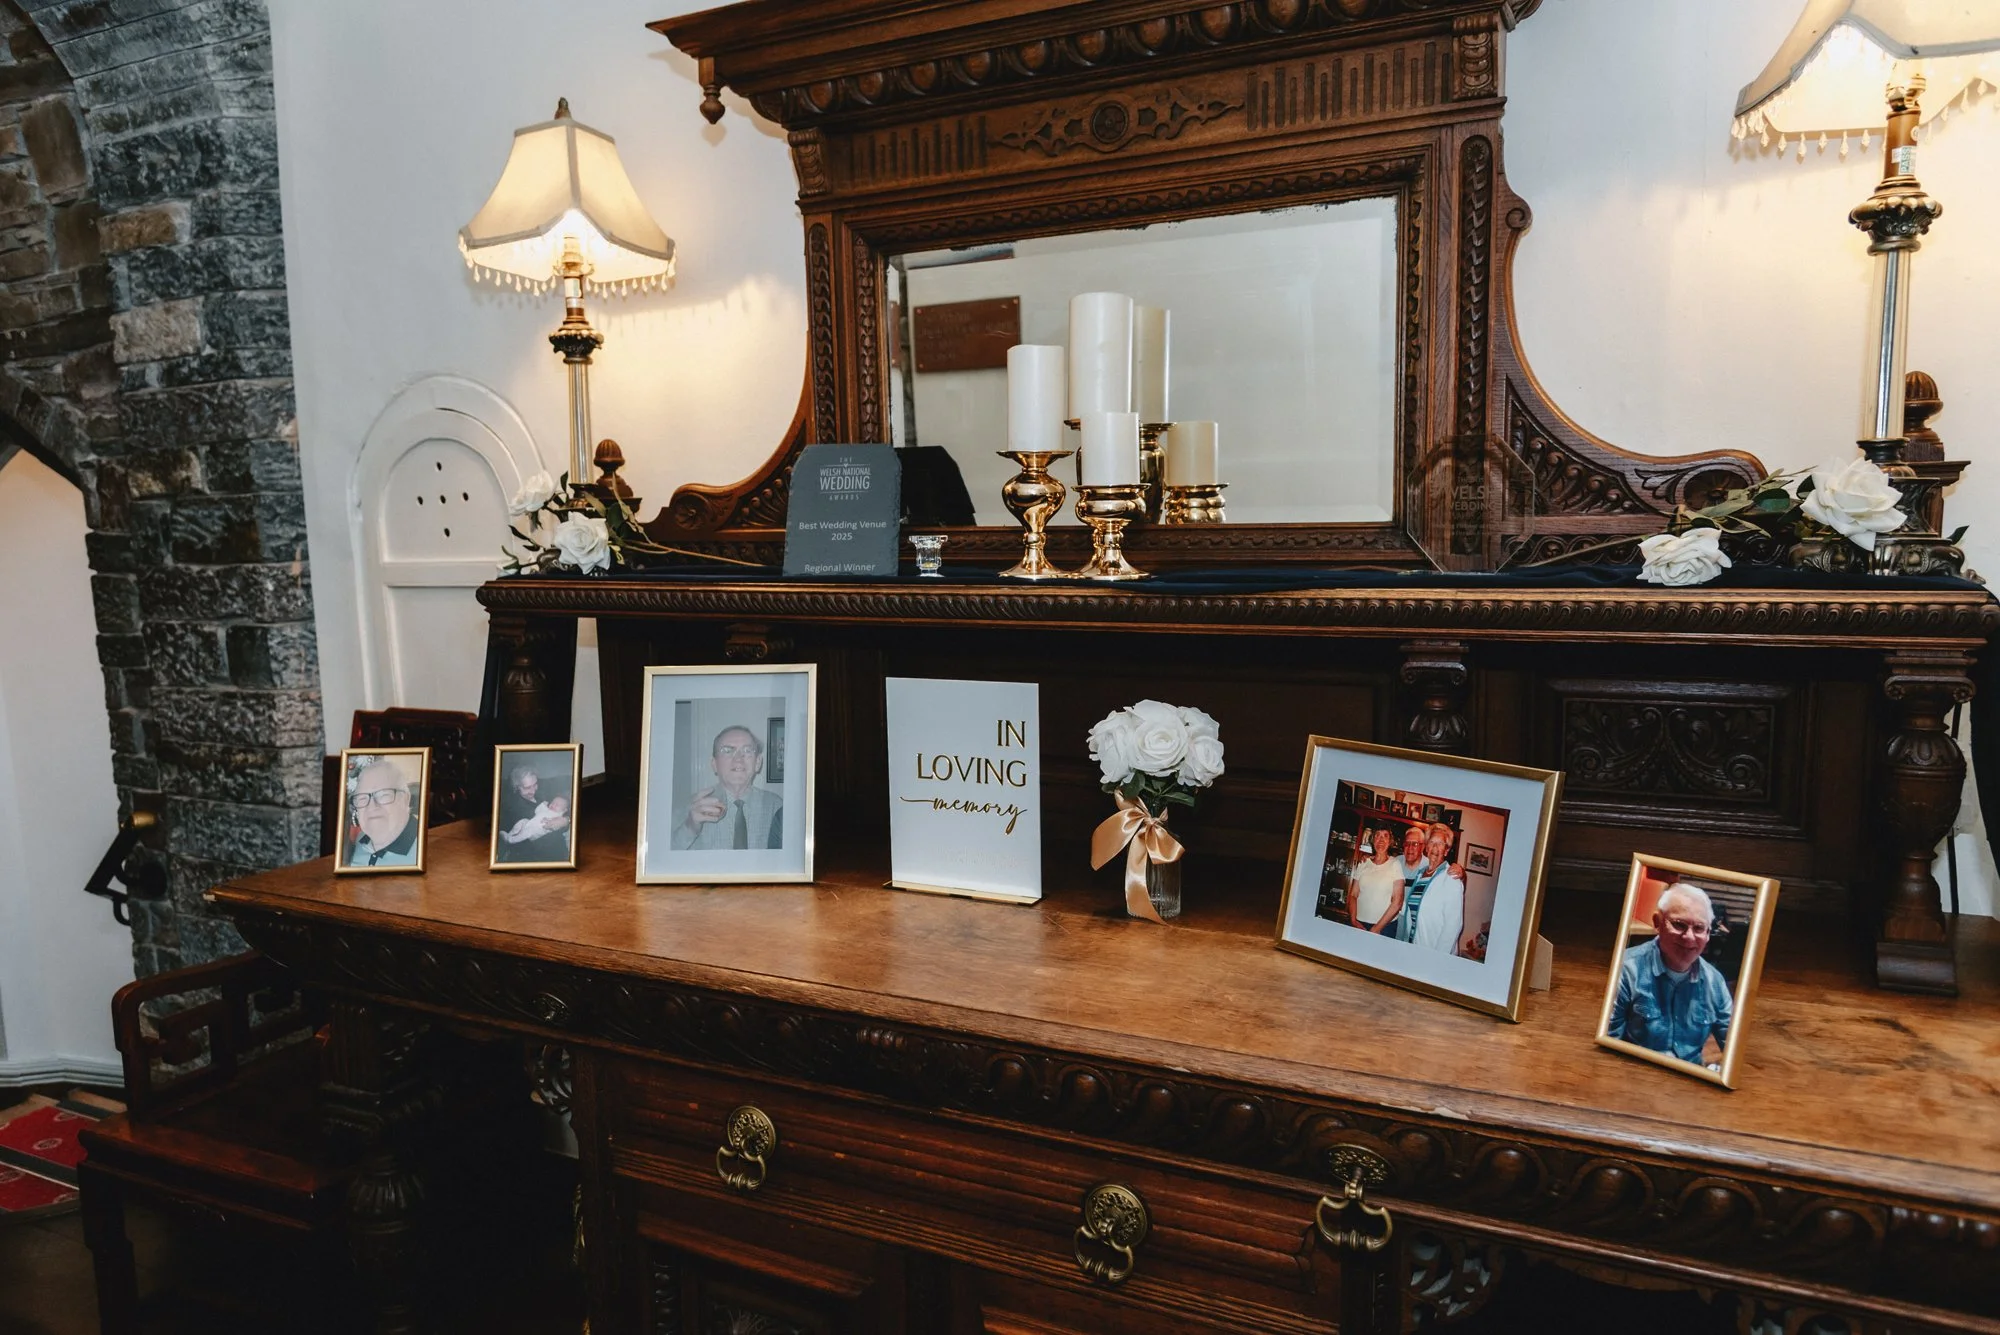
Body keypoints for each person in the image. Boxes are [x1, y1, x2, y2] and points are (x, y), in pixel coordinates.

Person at [1607, 883, 1733, 1067]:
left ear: (1707, 935)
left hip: (1690, 1078)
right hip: (1636, 1072)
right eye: (1679, 925)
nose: (1689, 937)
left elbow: (1733, 1048)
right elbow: (1609, 1044)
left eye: (1699, 928)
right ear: (1657, 923)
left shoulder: (1716, 982)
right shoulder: (1626, 968)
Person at [674, 725, 784, 851]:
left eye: (747, 751)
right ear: (714, 764)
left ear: (758, 763)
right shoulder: (691, 806)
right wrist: (690, 827)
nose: (738, 759)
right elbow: (660, 860)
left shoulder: (777, 807)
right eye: (727, 751)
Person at [1410, 825, 1478, 956]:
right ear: (1426, 847)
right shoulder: (1420, 875)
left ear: (1446, 851)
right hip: (1415, 948)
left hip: (1434, 953)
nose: (1435, 848)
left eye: (1440, 843)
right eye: (1432, 842)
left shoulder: (1452, 878)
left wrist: (1437, 959)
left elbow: (1453, 927)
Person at [345, 757, 420, 867]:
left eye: (383, 795)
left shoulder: (422, 851)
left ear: (405, 799)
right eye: (362, 798)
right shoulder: (361, 840)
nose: (372, 806)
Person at [496, 761, 571, 863]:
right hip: (543, 856)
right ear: (516, 787)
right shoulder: (514, 807)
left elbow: (567, 805)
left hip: (561, 850)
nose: (533, 790)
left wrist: (566, 820)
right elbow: (528, 842)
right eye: (527, 788)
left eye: (535, 784)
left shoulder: (543, 791)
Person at [1347, 827, 1405, 935]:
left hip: (1384, 927)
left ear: (1390, 841)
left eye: (1385, 836)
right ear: (1373, 839)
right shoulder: (1364, 862)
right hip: (1359, 924)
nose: (1381, 840)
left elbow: (1398, 902)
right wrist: (1353, 920)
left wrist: (1377, 928)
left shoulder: (1395, 864)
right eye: (1378, 835)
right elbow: (1353, 895)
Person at [500, 794, 570, 846]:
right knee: (523, 820)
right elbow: (537, 811)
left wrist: (553, 822)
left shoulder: (558, 815)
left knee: (528, 831)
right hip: (529, 824)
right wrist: (543, 805)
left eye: (557, 805)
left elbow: (557, 825)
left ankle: (510, 840)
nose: (553, 805)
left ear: (564, 810)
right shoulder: (546, 809)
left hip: (536, 832)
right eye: (552, 802)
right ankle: (511, 834)